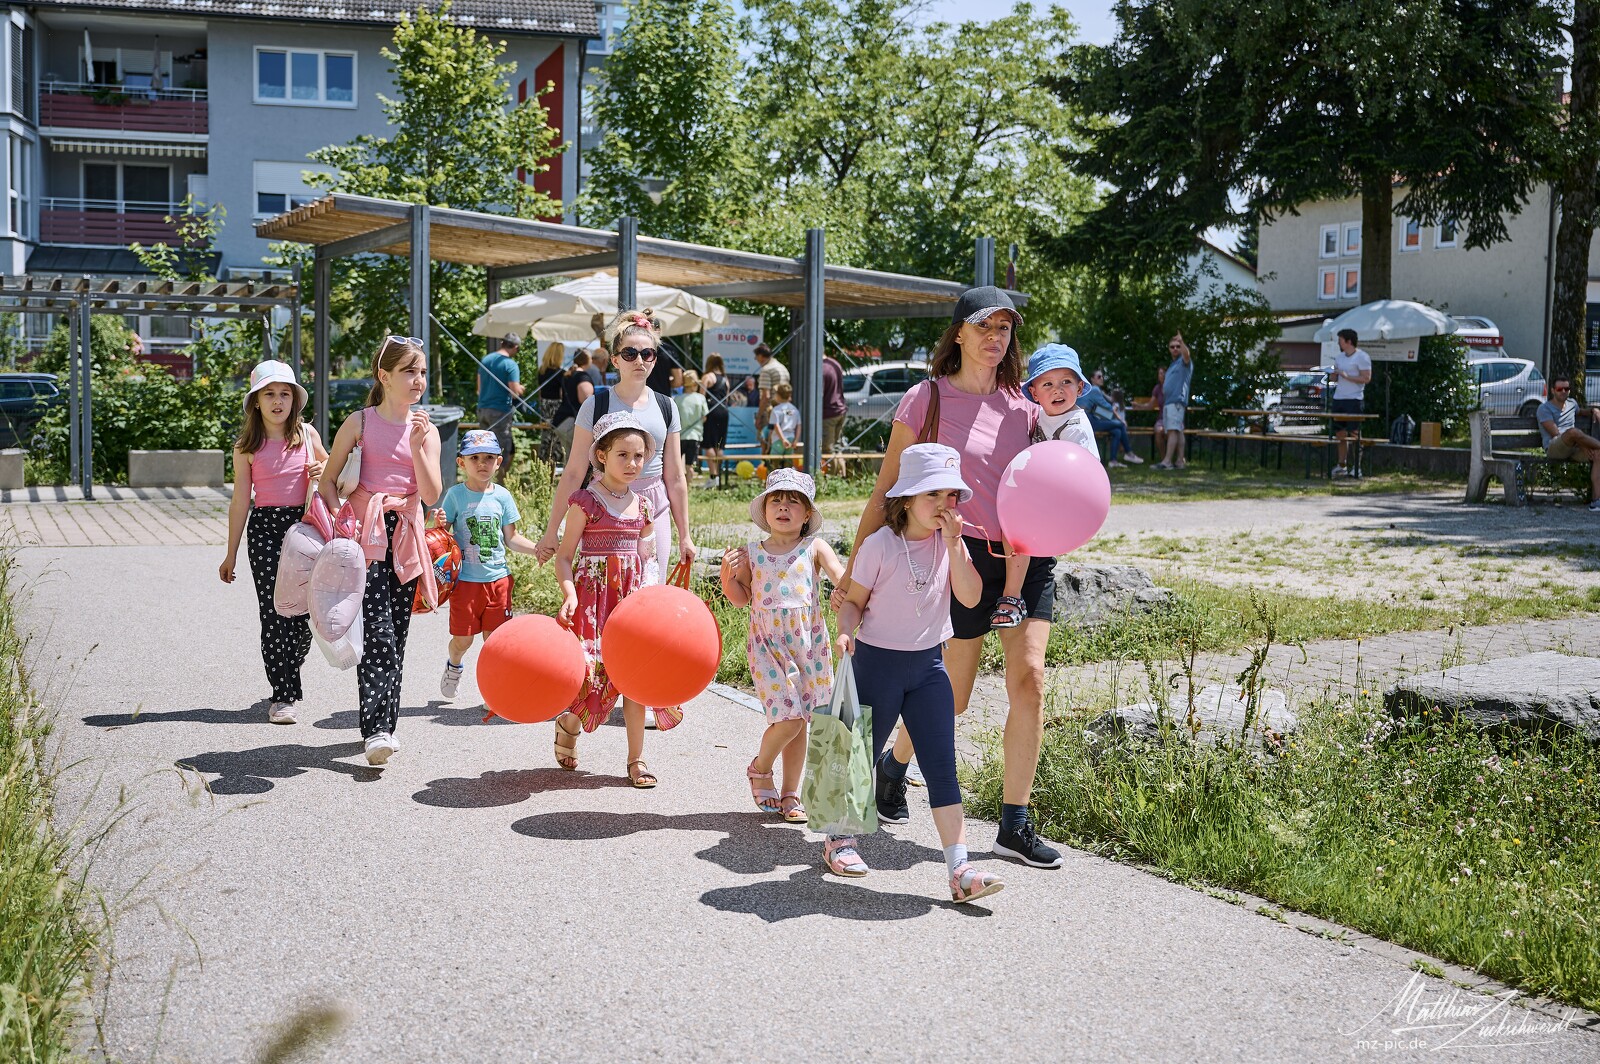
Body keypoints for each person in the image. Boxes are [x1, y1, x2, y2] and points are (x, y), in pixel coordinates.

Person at [835, 285, 1061, 870]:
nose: (995, 338)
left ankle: (1014, 822)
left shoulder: (1027, 409)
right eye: (984, 326)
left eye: (1006, 329)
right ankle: (893, 766)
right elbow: (886, 489)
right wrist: (856, 574)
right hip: (952, 557)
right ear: (958, 333)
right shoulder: (925, 398)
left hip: (1023, 557)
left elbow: (1054, 479)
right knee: (950, 696)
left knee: (1030, 679)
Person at [833, 443, 1005, 902]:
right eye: (933, 495)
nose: (945, 506)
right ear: (906, 498)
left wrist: (954, 545)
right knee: (857, 757)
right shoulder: (880, 545)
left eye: (951, 496)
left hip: (930, 665)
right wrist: (845, 633)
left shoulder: (951, 545)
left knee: (941, 767)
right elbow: (852, 601)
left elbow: (971, 598)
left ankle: (960, 868)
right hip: (876, 662)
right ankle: (839, 840)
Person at [318, 336, 443, 767]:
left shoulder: (426, 431)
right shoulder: (359, 423)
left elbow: (430, 493)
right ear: (384, 376)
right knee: (379, 637)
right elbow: (328, 482)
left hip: (406, 536)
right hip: (364, 539)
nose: (418, 380)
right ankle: (376, 730)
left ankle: (385, 724)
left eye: (422, 372)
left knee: (398, 636)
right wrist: (341, 524)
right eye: (410, 371)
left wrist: (415, 446)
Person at [535, 307, 696, 588]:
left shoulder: (667, 406)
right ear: (615, 360)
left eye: (647, 354)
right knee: (605, 588)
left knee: (650, 589)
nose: (639, 360)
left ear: (655, 360)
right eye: (630, 354)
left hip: (653, 507)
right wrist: (552, 531)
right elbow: (573, 472)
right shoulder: (596, 405)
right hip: (604, 506)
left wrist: (685, 534)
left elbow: (675, 476)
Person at [552, 412, 672, 785]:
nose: (633, 463)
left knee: (634, 679)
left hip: (630, 603)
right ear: (601, 455)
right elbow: (565, 556)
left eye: (639, 456)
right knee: (592, 677)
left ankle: (636, 760)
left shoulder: (645, 506)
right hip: (592, 600)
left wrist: (649, 598)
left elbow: (648, 559)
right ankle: (568, 724)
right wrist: (569, 593)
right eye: (623, 455)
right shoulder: (585, 502)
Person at [719, 470, 846, 823]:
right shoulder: (751, 553)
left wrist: (849, 594)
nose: (784, 507)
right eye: (776, 500)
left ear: (807, 515)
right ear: (765, 510)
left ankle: (791, 793)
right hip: (769, 648)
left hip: (810, 646)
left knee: (802, 721)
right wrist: (728, 579)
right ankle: (760, 768)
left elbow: (840, 577)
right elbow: (741, 599)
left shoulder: (814, 547)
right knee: (788, 720)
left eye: (794, 501)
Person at [219, 359, 328, 725]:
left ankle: (291, 662)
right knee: (274, 612)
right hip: (264, 528)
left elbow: (334, 471)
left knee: (303, 614)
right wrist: (230, 554)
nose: (278, 401)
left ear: (294, 400)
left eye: (285, 393)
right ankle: (284, 694)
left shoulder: (308, 436)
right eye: (269, 394)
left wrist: (324, 469)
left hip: (305, 527)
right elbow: (239, 502)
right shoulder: (245, 446)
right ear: (256, 401)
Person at [991, 344, 1098, 630]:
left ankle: (1012, 596)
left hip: (1062, 505)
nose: (1057, 390)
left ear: (1079, 387)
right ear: (1034, 393)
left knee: (1018, 530)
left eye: (1066, 382)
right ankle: (1011, 592)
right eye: (1047, 383)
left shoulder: (1076, 426)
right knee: (1014, 530)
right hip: (1041, 500)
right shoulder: (1039, 417)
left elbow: (1085, 476)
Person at [437, 430, 539, 699]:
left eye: (489, 458)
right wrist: (436, 524)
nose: (482, 463)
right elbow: (439, 538)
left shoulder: (503, 496)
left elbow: (512, 538)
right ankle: (454, 665)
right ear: (462, 463)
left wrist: (537, 550)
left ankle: (493, 692)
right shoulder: (455, 495)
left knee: (495, 642)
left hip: (498, 580)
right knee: (463, 641)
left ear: (499, 461)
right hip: (466, 583)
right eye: (475, 458)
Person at [1536, 376, 1600, 511]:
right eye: (1560, 389)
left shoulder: (1572, 404)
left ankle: (1596, 501)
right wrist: (1582, 444)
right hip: (1555, 448)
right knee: (1572, 432)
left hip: (1574, 449)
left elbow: (1582, 411)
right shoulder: (1544, 409)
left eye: (1567, 388)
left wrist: (1593, 410)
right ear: (1553, 390)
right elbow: (1556, 433)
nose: (1563, 391)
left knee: (1597, 454)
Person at [477, 334, 524, 481]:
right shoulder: (510, 365)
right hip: (500, 411)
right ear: (515, 347)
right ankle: (499, 481)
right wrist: (521, 389)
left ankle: (480, 479)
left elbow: (478, 389)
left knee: (483, 449)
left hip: (482, 409)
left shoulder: (485, 360)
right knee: (502, 449)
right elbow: (515, 393)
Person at [1329, 328, 1372, 477]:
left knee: (1355, 434)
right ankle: (1342, 465)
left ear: (1349, 341)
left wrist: (1347, 376)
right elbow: (1333, 379)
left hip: (1354, 400)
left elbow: (1366, 378)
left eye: (1340, 340)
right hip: (1339, 399)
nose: (1338, 343)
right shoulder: (1339, 358)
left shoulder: (1362, 357)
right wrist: (1334, 375)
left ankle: (1357, 467)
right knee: (1340, 435)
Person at [1081, 369, 1138, 468]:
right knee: (1120, 425)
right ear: (1092, 379)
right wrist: (1120, 419)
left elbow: (1097, 410)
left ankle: (1113, 461)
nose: (1102, 378)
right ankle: (1129, 453)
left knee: (1117, 431)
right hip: (1088, 421)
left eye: (1102, 376)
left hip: (1089, 419)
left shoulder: (1090, 390)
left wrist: (1112, 418)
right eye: (1099, 377)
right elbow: (1106, 406)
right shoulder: (1094, 390)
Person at [553, 349, 602, 460]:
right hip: (572, 423)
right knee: (578, 459)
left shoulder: (568, 375)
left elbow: (562, 396)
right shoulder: (582, 377)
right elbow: (585, 401)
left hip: (561, 421)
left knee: (570, 459)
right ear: (588, 360)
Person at [1155, 333, 1193, 470]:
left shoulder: (1184, 361)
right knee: (1178, 431)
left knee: (1172, 430)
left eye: (1178, 346)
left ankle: (1167, 461)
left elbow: (1187, 354)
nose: (1175, 348)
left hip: (1176, 401)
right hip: (1170, 402)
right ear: (1169, 348)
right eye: (1172, 346)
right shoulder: (1173, 364)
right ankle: (1179, 461)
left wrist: (1182, 341)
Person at [701, 354, 731, 484]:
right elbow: (727, 398)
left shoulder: (707, 377)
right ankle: (719, 474)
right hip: (724, 412)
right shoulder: (726, 379)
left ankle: (713, 476)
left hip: (711, 411)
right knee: (720, 444)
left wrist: (702, 415)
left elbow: (701, 397)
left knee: (709, 443)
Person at [755, 344, 789, 448]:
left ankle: (766, 463)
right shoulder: (782, 367)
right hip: (784, 410)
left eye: (756, 356)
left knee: (766, 442)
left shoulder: (766, 370)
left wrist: (759, 416)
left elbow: (765, 396)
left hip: (770, 412)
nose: (756, 359)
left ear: (761, 356)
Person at [675, 369, 708, 477]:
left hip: (679, 436)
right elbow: (704, 417)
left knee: (677, 465)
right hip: (695, 436)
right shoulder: (701, 398)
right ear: (695, 383)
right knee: (690, 466)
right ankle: (688, 489)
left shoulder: (677, 399)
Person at [821, 353, 849, 476]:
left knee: (828, 449)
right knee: (837, 447)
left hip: (828, 413)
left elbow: (819, 394)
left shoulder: (821, 368)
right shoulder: (835, 363)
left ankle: (831, 478)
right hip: (840, 410)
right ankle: (842, 476)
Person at [769, 381, 801, 466]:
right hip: (791, 438)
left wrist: (783, 439)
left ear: (778, 395)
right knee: (788, 463)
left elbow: (776, 425)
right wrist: (796, 440)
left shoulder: (776, 410)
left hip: (778, 439)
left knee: (774, 464)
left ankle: (774, 479)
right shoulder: (794, 409)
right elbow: (798, 426)